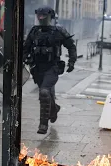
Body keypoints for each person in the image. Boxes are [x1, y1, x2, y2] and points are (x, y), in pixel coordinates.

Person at [23, 6, 77, 134]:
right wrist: (25, 58)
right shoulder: (34, 31)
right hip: (37, 69)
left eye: (44, 17)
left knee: (44, 92)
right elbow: (25, 48)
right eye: (39, 17)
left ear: (50, 18)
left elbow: (71, 46)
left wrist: (71, 61)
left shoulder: (59, 31)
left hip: (52, 68)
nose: (41, 20)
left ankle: (43, 125)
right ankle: (54, 109)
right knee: (44, 94)